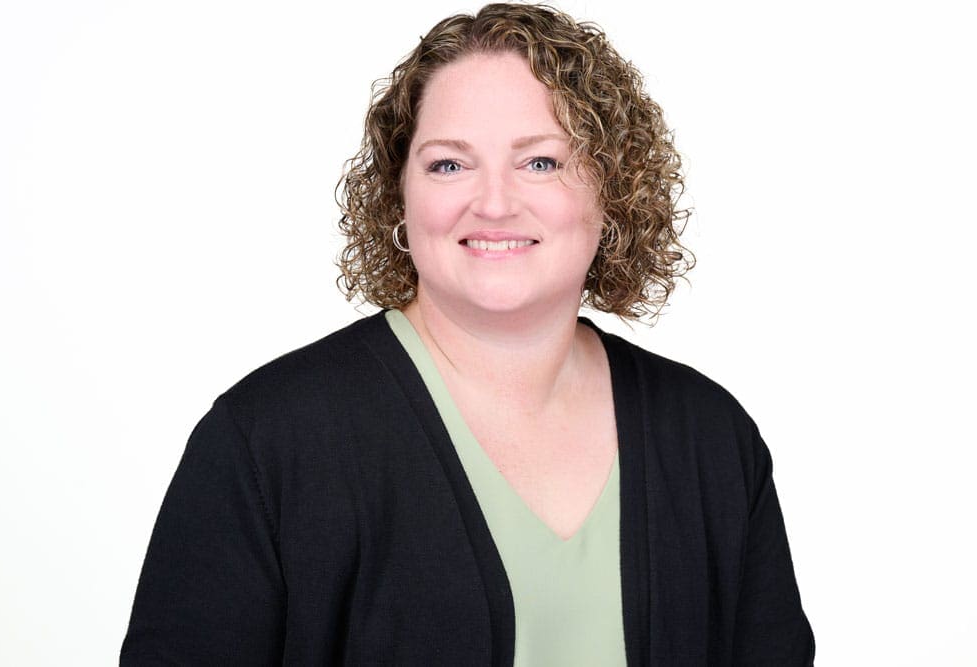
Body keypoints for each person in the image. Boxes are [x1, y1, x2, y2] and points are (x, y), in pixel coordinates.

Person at [121, 3, 814, 665]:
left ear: (613, 191)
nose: (493, 203)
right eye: (449, 164)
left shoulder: (711, 438)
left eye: (540, 161)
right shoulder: (265, 441)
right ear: (400, 195)